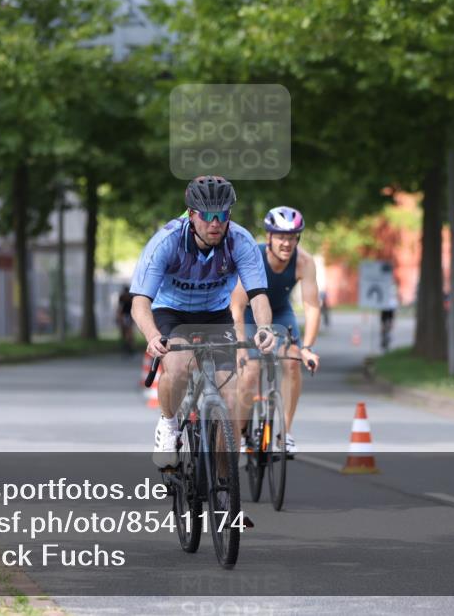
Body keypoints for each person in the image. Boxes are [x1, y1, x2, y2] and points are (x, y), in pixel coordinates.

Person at [130, 176, 275, 469]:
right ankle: (169, 427)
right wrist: (152, 335)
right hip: (171, 312)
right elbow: (140, 302)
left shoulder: (240, 242)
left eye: (222, 215)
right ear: (191, 213)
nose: (215, 223)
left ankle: (225, 494)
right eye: (207, 215)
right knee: (180, 365)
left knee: (231, 401)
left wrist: (264, 328)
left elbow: (258, 295)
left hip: (215, 314)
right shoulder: (166, 242)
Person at [231, 206, 321, 456]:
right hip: (249, 314)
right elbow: (237, 306)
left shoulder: (304, 262)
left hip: (281, 313)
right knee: (251, 371)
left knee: (292, 362)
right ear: (269, 237)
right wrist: (240, 347)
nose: (286, 243)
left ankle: (285, 435)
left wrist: (307, 348)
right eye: (281, 237)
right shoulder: (253, 257)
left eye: (292, 238)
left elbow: (312, 307)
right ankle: (238, 436)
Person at [116, 285, 134, 355]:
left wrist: (118, 316)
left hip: (124, 315)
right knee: (129, 331)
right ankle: (128, 345)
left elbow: (120, 308)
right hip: (128, 315)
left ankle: (126, 345)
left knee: (125, 331)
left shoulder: (122, 297)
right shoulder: (130, 297)